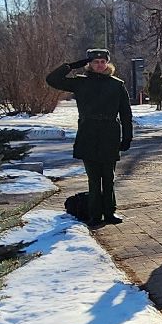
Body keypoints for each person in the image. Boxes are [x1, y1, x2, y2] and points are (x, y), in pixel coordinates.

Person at [46, 49, 134, 226]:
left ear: (107, 64)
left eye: (103, 62)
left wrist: (127, 137)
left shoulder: (117, 85)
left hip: (109, 134)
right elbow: (52, 80)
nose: (100, 65)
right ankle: (95, 215)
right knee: (94, 178)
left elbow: (126, 114)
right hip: (88, 134)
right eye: (95, 62)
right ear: (90, 64)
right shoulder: (80, 83)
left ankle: (110, 212)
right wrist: (72, 66)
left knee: (108, 177)